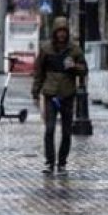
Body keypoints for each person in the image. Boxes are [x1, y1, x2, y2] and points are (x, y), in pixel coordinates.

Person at [31, 16, 87, 175]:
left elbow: (84, 70)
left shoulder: (74, 49)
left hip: (67, 94)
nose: (61, 35)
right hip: (50, 94)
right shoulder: (46, 49)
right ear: (55, 32)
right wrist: (35, 92)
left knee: (66, 131)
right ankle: (50, 161)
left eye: (64, 31)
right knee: (49, 129)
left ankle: (62, 162)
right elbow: (39, 72)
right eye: (59, 31)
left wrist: (74, 66)